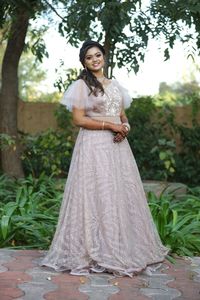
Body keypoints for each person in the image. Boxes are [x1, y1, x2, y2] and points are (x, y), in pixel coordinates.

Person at [41, 40, 168, 277]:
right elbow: (78, 120)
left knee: (118, 193)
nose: (94, 60)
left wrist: (125, 126)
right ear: (84, 62)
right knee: (95, 192)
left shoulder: (115, 85)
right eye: (89, 57)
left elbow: (121, 114)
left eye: (97, 55)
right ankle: (91, 251)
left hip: (117, 147)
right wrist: (109, 125)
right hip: (93, 145)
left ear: (104, 56)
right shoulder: (81, 85)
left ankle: (119, 247)